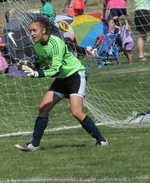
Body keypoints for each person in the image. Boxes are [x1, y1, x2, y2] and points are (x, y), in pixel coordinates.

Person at [16, 17, 108, 152]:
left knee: (76, 112)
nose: (32, 34)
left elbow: (56, 70)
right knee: (43, 108)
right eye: (30, 31)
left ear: (43, 30)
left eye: (34, 30)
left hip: (75, 76)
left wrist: (37, 74)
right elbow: (43, 61)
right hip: (62, 79)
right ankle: (34, 145)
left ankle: (102, 141)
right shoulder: (37, 46)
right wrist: (31, 66)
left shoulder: (56, 43)